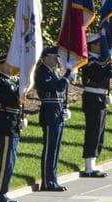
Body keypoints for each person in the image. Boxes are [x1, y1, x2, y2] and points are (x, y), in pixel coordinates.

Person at [35, 47, 71, 192]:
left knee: (55, 149)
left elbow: (59, 92)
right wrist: (68, 75)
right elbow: (58, 87)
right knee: (50, 149)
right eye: (54, 57)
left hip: (56, 112)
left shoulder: (52, 72)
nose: (57, 60)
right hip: (49, 113)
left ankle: (52, 179)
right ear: (46, 57)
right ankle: (47, 181)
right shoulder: (42, 72)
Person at [80, 35, 112, 178]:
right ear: (92, 45)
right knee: (93, 131)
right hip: (92, 97)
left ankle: (93, 163)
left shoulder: (100, 60)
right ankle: (89, 167)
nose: (102, 47)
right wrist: (109, 60)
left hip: (99, 97)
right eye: (99, 44)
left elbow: (108, 73)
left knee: (99, 133)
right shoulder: (89, 60)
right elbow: (103, 74)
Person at [0, 58, 24, 202]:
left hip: (13, 124)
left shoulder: (11, 82)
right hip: (5, 124)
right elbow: (13, 99)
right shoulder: (1, 82)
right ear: (3, 65)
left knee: (10, 162)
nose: (12, 66)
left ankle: (3, 192)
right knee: (5, 162)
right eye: (9, 63)